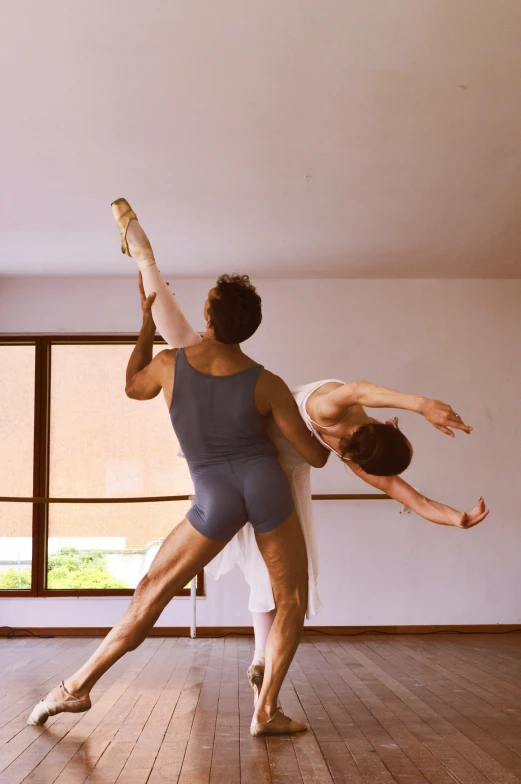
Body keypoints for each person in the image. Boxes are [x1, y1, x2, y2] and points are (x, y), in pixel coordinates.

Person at [110, 200, 490, 700]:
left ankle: (144, 259)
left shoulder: (340, 414)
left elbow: (358, 390)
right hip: (263, 470)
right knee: (276, 582)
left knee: (181, 342)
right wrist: (457, 519)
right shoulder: (356, 458)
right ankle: (262, 659)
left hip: (244, 455)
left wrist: (422, 405)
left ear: (386, 425)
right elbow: (407, 495)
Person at [27, 203, 330, 737]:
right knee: (292, 601)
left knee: (152, 591)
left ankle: (77, 688)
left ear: (209, 317)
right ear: (250, 329)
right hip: (265, 485)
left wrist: (145, 325)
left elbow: (132, 386)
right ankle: (267, 711)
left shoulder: (168, 365)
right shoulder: (269, 382)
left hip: (213, 494)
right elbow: (316, 456)